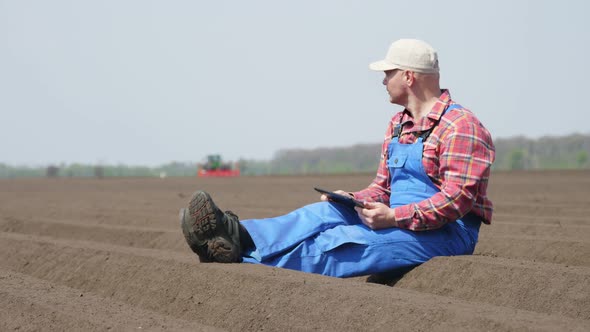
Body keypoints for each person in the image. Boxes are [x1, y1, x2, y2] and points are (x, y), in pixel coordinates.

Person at [180, 39, 495, 278]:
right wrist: (354, 199)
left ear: (409, 77)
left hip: (447, 234)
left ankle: (238, 261)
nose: (383, 80)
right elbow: (382, 187)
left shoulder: (460, 125)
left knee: (341, 242)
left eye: (388, 73)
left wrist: (393, 218)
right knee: (322, 215)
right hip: (397, 215)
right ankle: (235, 234)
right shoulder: (399, 124)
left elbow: (457, 200)